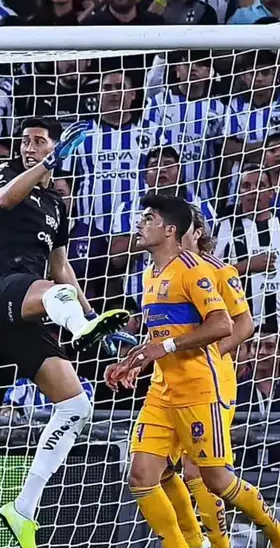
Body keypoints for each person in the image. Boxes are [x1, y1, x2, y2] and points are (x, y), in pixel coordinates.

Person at [0, 117, 132, 547]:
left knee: (76, 405)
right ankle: (79, 329)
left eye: (38, 141)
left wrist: (94, 317)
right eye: (25, 141)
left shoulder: (58, 205)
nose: (28, 147)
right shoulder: (6, 174)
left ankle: (23, 508)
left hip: (33, 305)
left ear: (54, 145)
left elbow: (61, 266)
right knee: (54, 293)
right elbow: (4, 199)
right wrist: (49, 162)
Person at [106, 194, 280, 548]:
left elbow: (236, 326)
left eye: (149, 218)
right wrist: (137, 359)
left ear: (185, 231)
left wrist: (189, 351)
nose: (140, 224)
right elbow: (161, 333)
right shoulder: (150, 273)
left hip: (205, 383)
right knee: (146, 473)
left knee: (205, 474)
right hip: (163, 386)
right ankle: (190, 542)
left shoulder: (210, 270)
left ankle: (264, 535)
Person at [152, 204, 256, 548]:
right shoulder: (160, 271)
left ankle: (221, 542)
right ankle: (193, 540)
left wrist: (209, 353)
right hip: (170, 379)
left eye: (183, 229)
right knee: (160, 467)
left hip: (211, 377)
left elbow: (244, 324)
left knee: (200, 469)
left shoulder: (219, 270)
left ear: (197, 233)